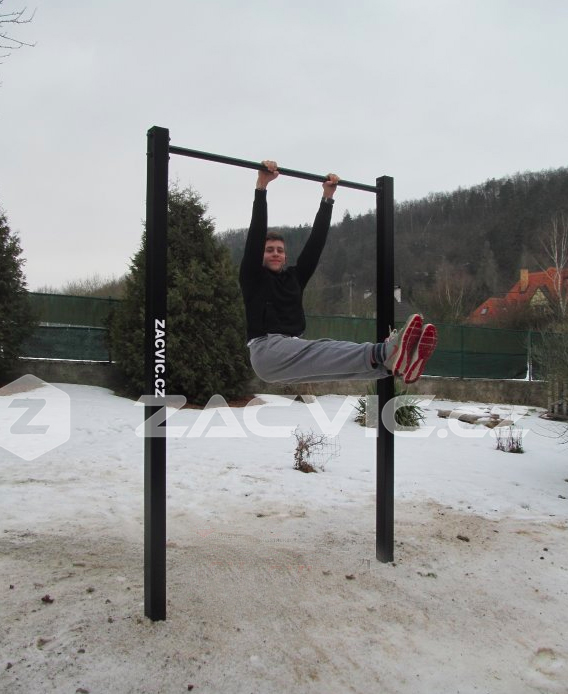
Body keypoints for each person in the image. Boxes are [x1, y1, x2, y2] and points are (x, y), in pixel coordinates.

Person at [238, 160, 437, 384]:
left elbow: (316, 243)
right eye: (269, 250)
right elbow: (255, 235)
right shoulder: (252, 276)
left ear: (285, 256)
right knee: (325, 350)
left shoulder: (294, 278)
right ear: (261, 255)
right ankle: (385, 352)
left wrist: (328, 198)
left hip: (292, 350)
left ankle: (394, 366)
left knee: (335, 365)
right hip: (267, 350)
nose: (275, 254)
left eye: (280, 250)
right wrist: (262, 187)